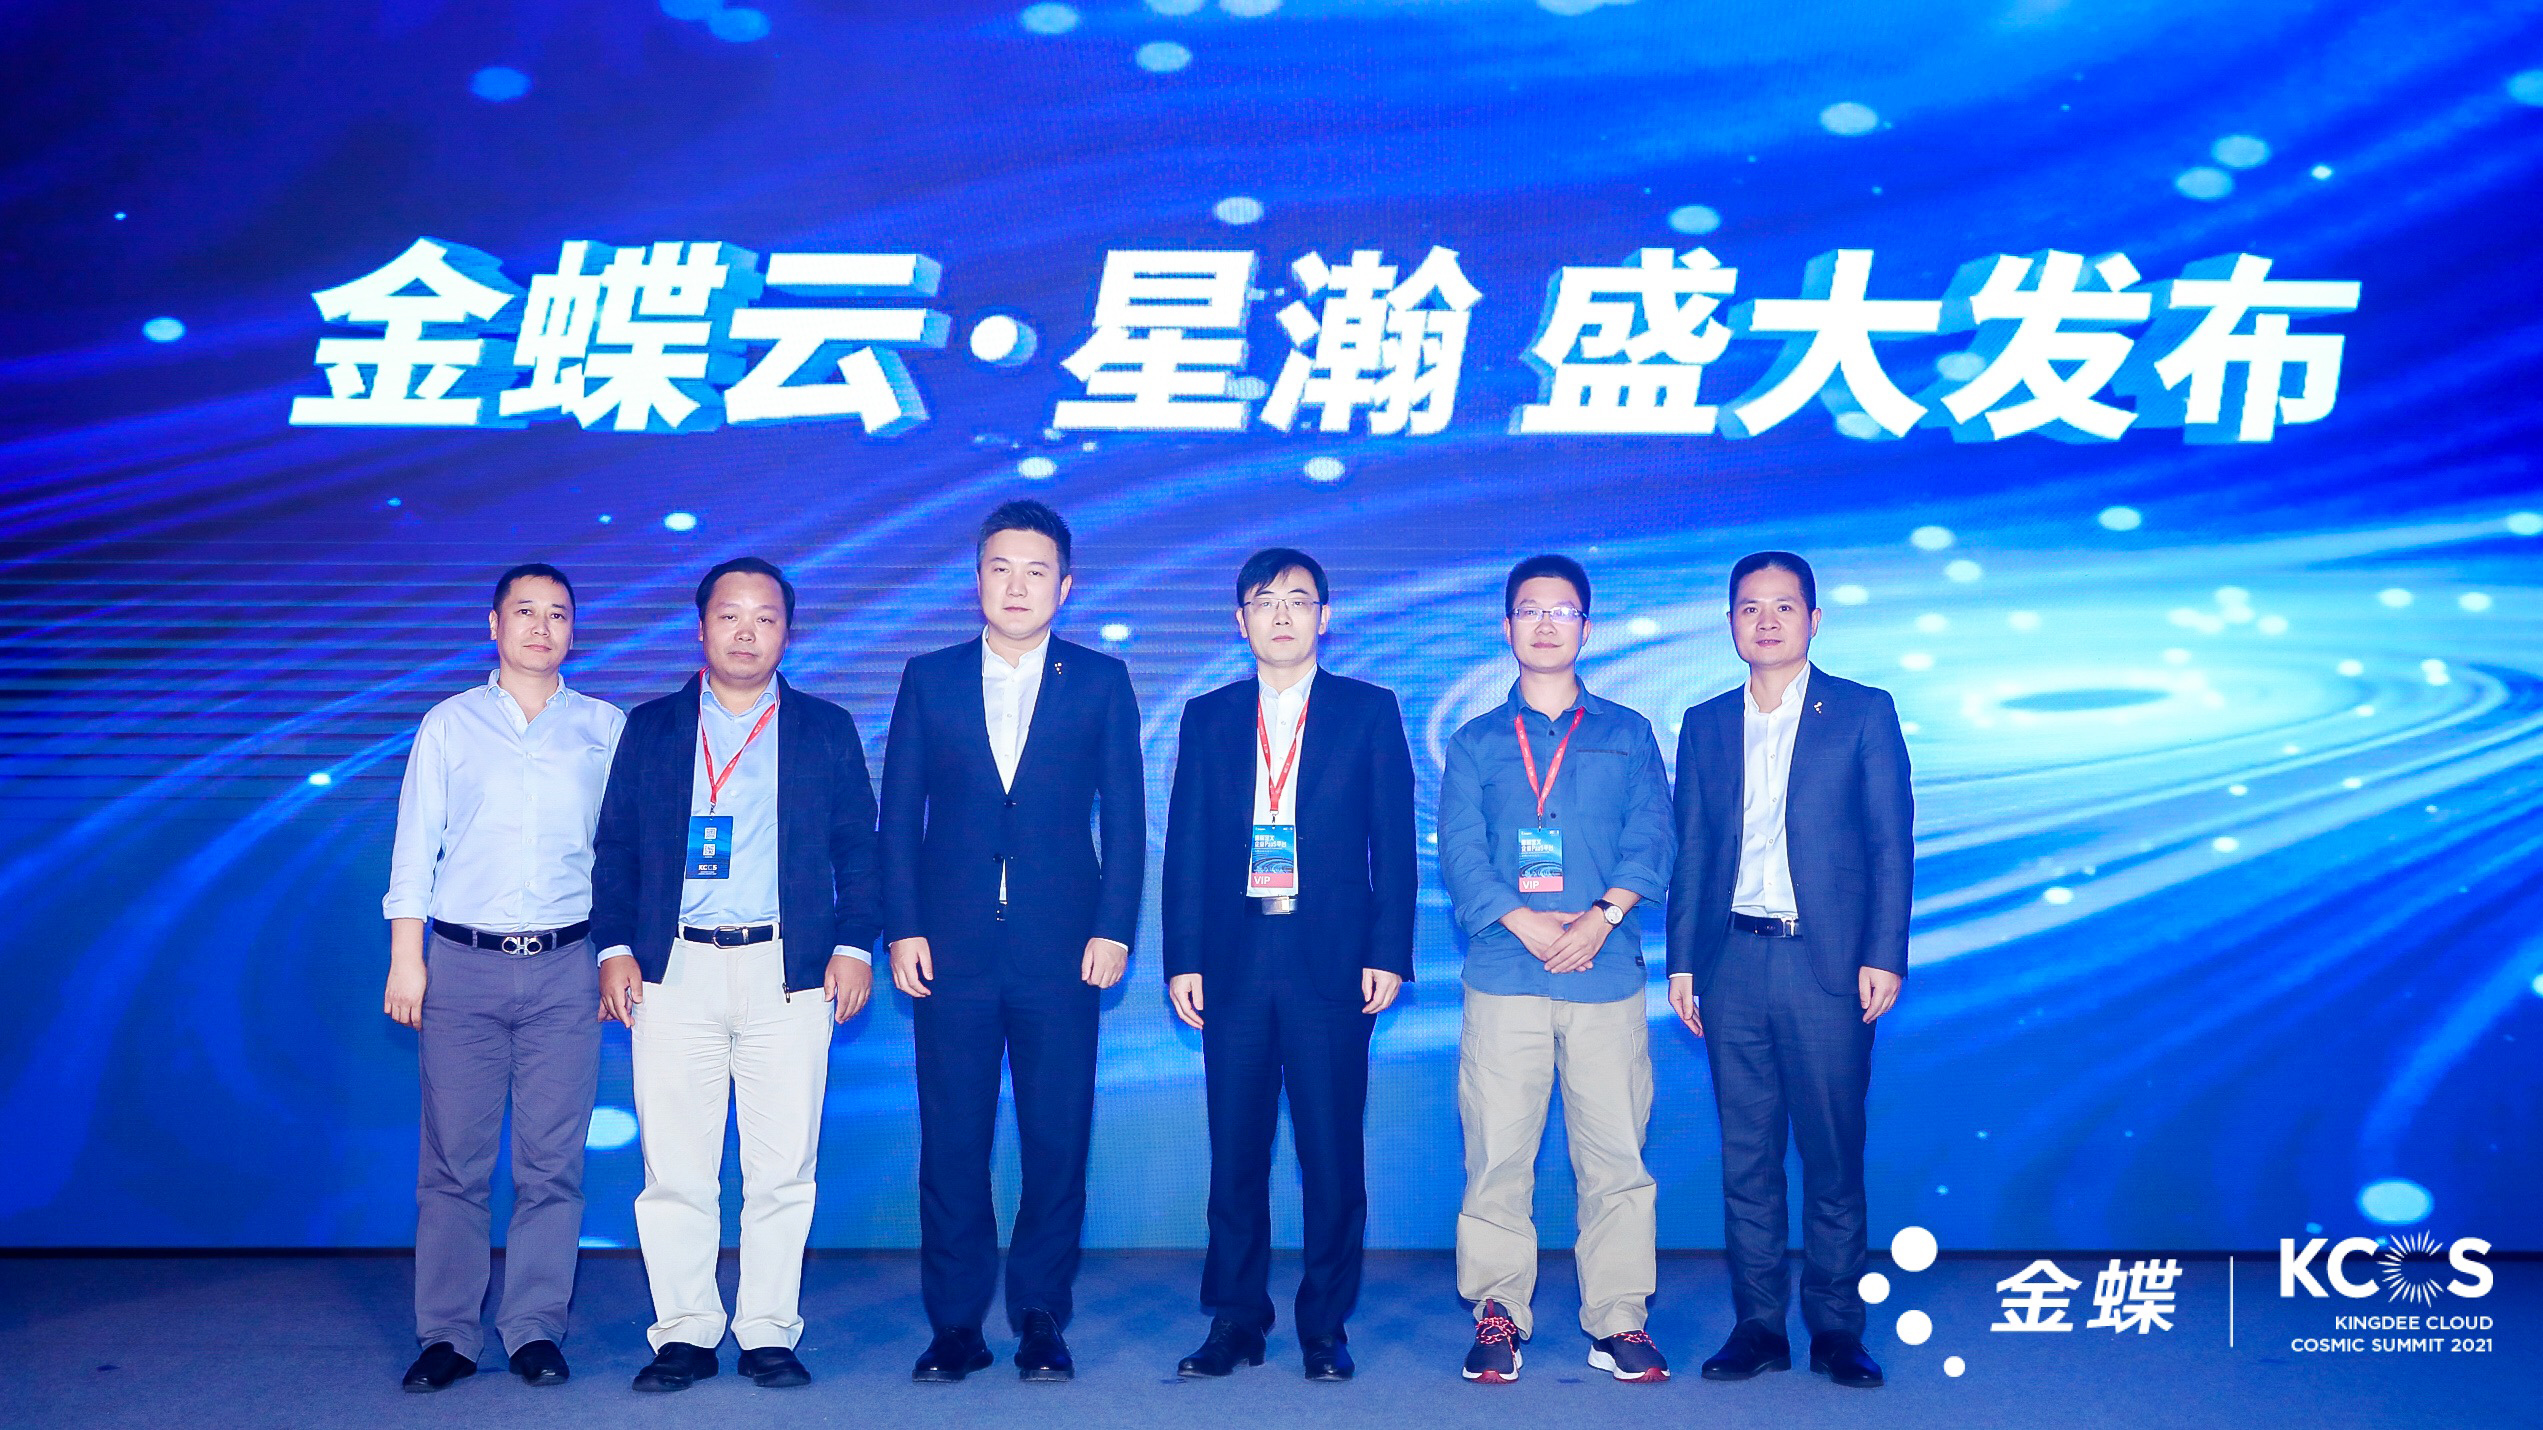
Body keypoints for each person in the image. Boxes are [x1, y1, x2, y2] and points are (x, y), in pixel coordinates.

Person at [591, 557, 880, 1393]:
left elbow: (858, 848)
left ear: (787, 632)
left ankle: (766, 1331)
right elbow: (615, 847)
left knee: (781, 1168)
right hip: (671, 970)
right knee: (675, 1168)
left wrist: (854, 945)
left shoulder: (823, 727)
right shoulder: (653, 727)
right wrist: (614, 947)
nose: (746, 633)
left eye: (764, 618)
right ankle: (683, 1333)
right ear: (701, 628)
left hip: (789, 972)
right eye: (729, 616)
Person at [882, 499, 1145, 1384]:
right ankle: (955, 1325)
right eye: (1001, 568)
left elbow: (1128, 818)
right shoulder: (930, 678)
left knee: (1056, 1139)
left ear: (1064, 587)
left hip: (1063, 950)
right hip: (948, 950)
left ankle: (1040, 1315)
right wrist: (902, 926)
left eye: (1037, 571)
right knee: (952, 1142)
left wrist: (1114, 928)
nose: (1018, 585)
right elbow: (898, 816)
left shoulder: (1100, 680)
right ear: (978, 580)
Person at [1162, 548, 1416, 1383]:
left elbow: (1393, 845)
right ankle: (1235, 1320)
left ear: (1324, 617)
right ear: (1239, 621)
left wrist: (1387, 952)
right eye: (1263, 601)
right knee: (1234, 1152)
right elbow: (1186, 844)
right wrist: (1182, 957)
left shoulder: (1367, 710)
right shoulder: (1207, 716)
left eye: (1298, 600)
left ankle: (1323, 1325)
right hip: (1233, 959)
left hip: (1331, 962)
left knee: (1330, 1153)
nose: (1280, 614)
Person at [1667, 551, 1911, 1391]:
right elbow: (1692, 851)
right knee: (1747, 1158)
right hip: (1730, 961)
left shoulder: (1862, 711)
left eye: (1782, 605)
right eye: (1748, 607)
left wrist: (1883, 952)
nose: (1764, 621)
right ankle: (1758, 1325)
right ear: (1730, 622)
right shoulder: (1704, 722)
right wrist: (1682, 962)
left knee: (1832, 1155)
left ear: (1813, 618)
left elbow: (1888, 842)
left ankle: (1837, 1330)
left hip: (1827, 965)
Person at [1435, 555, 1676, 1385]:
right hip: (1506, 972)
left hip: (1603, 971)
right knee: (1497, 1156)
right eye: (1529, 610)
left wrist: (1601, 916)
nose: (1545, 624)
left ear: (1585, 627)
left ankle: (1618, 1319)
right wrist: (1524, 921)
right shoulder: (1473, 742)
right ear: (1506, 627)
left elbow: (1653, 837)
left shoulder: (1627, 733)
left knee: (1615, 1158)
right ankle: (1497, 1311)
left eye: (1562, 611)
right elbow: (1461, 852)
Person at [384, 563, 624, 1393]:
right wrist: (407, 958)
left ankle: (533, 1328)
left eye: (557, 614)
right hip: (461, 966)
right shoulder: (449, 724)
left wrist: (616, 956)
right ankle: (448, 1335)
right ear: (493, 624)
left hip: (566, 967)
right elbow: (415, 845)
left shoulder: (604, 727)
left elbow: (622, 855)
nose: (541, 627)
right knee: (454, 1163)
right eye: (525, 611)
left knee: (551, 1164)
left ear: (573, 631)